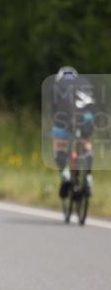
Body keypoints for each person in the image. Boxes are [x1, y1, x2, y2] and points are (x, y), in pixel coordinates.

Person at [51, 66, 96, 197]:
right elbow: (93, 105)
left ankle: (65, 175)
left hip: (65, 118)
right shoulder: (84, 82)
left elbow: (54, 110)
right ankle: (88, 177)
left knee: (59, 146)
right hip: (86, 118)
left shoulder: (57, 84)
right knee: (85, 143)